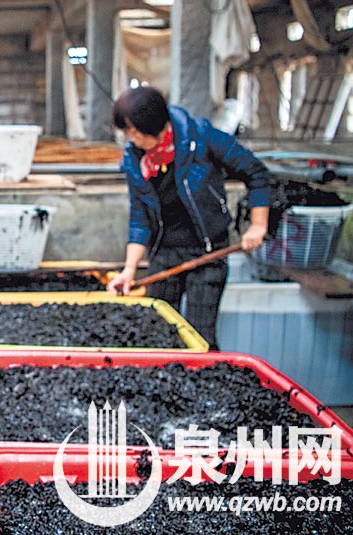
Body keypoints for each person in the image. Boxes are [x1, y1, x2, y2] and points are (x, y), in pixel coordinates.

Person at [105, 86, 271, 348]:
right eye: (127, 133)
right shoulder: (135, 158)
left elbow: (256, 173)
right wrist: (129, 270)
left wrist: (258, 225)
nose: (130, 139)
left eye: (133, 132)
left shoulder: (201, 137)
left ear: (155, 126)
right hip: (164, 254)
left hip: (207, 253)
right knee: (156, 334)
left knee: (200, 337)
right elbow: (140, 216)